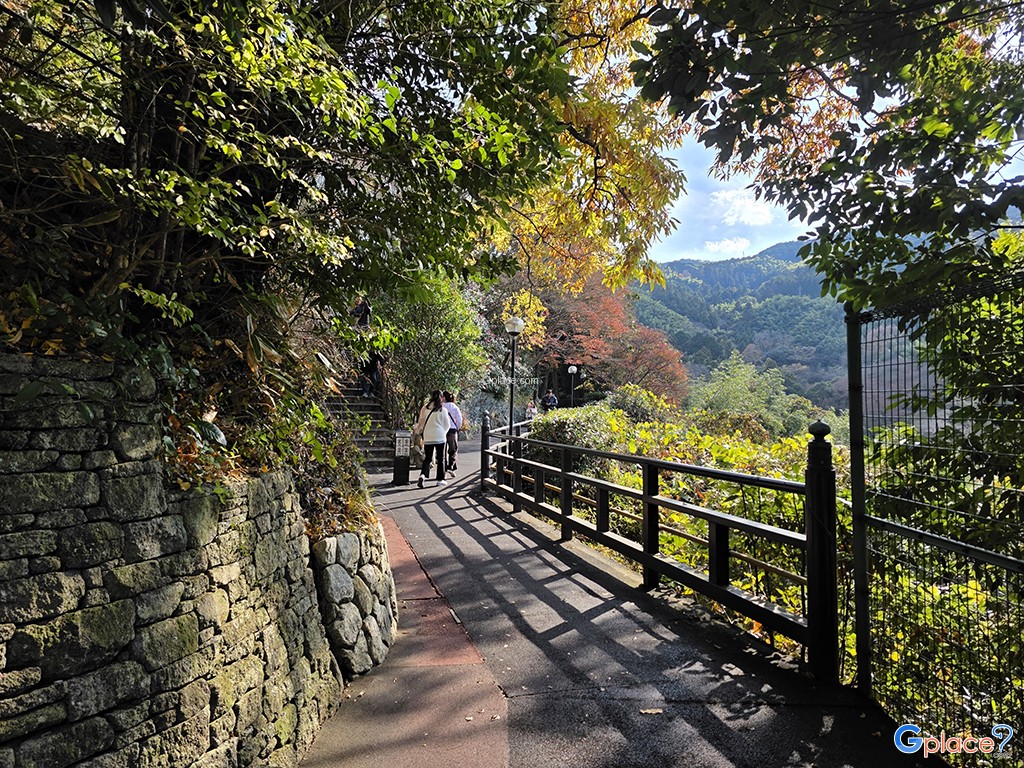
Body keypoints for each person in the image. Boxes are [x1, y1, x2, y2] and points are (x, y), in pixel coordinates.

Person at [413, 390, 448, 488]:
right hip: (440, 436)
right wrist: (443, 433)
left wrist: (418, 430)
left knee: (427, 458)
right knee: (441, 458)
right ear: (441, 397)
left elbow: (421, 422)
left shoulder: (425, 408)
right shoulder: (443, 410)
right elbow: (447, 425)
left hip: (428, 436)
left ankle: (423, 475)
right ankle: (440, 479)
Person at [442, 391, 463, 476]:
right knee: (453, 449)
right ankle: (450, 466)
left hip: (442, 429)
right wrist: (457, 427)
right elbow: (459, 419)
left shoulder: (441, 406)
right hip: (452, 430)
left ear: (444, 397)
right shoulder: (454, 407)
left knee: (443, 450)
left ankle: (445, 467)